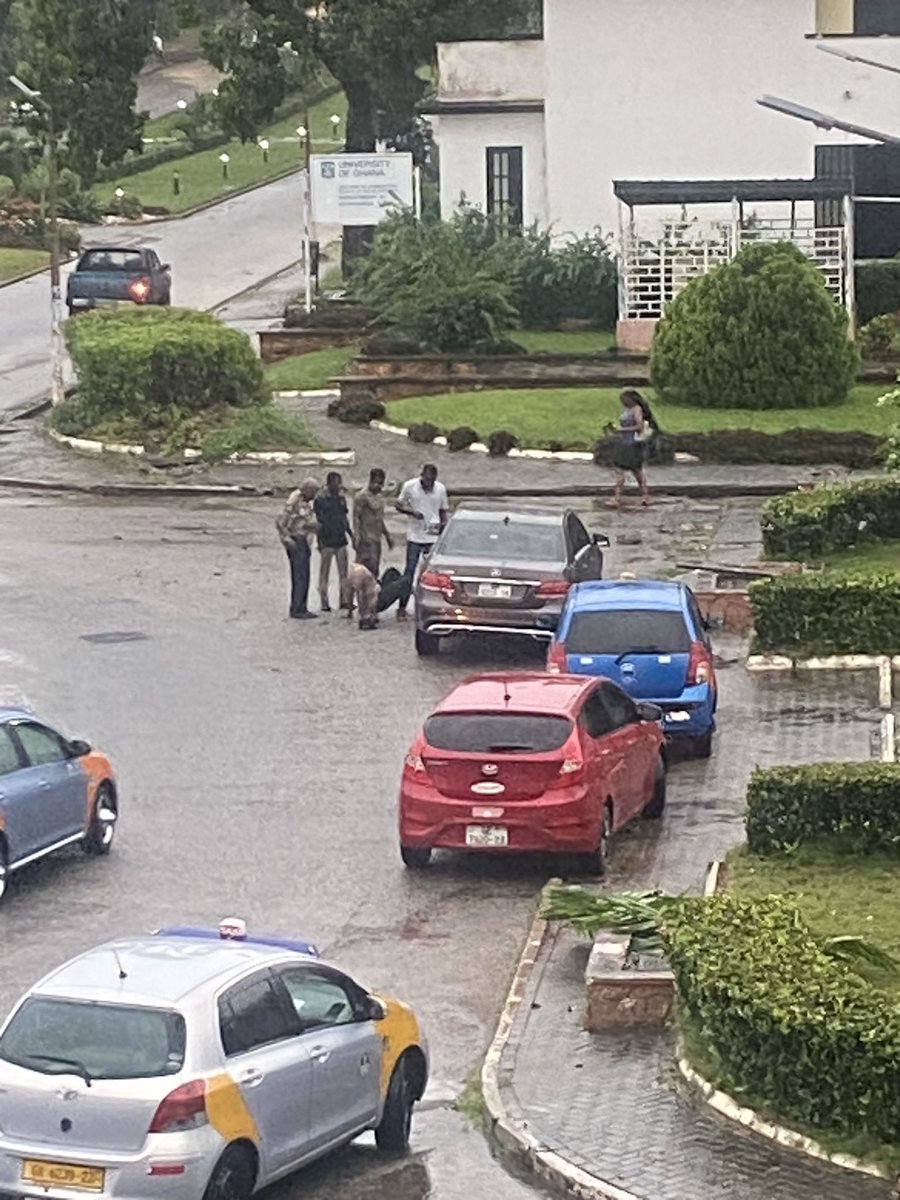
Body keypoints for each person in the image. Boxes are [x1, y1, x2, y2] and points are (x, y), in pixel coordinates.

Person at [395, 464, 449, 620]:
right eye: (427, 481)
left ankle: (430, 607)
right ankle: (402, 607)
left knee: (431, 574)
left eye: (432, 481)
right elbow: (398, 504)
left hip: (432, 537)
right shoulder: (409, 486)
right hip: (414, 536)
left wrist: (444, 528)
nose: (429, 484)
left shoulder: (440, 489)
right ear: (422, 476)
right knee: (409, 572)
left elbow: (443, 510)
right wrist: (411, 512)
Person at [275, 478, 320, 619]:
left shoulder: (306, 503)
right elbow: (281, 520)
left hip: (304, 540)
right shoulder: (294, 500)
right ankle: (297, 609)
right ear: (307, 489)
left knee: (304, 574)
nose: (315, 494)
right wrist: (286, 538)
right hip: (297, 539)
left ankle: (302, 606)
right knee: (299, 575)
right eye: (314, 491)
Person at [606, 389, 655, 509]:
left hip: (632, 444)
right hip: (625, 442)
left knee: (629, 471)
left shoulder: (636, 409)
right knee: (634, 471)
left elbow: (639, 426)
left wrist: (621, 430)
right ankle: (644, 496)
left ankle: (618, 498)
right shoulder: (627, 410)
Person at [314, 471, 354, 612]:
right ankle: (324, 602)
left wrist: (350, 534)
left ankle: (344, 600)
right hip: (326, 539)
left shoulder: (340, 497)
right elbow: (318, 521)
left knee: (343, 573)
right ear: (329, 482)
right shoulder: (320, 498)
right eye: (337, 482)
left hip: (340, 538)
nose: (339, 485)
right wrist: (319, 541)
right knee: (325, 572)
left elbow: (344, 517)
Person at [353, 468, 393, 576]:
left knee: (374, 569)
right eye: (376, 482)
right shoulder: (361, 496)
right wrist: (356, 535)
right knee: (362, 569)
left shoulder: (380, 498)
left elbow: (379, 519)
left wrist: (387, 535)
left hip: (376, 539)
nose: (378, 486)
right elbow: (356, 517)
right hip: (365, 538)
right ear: (371, 481)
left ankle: (371, 592)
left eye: (381, 483)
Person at [346, 558, 380, 630]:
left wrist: (350, 609)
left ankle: (364, 617)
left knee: (362, 596)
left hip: (355, 574)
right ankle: (369, 617)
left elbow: (352, 592)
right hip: (362, 578)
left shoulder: (355, 572)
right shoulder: (366, 575)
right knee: (369, 599)